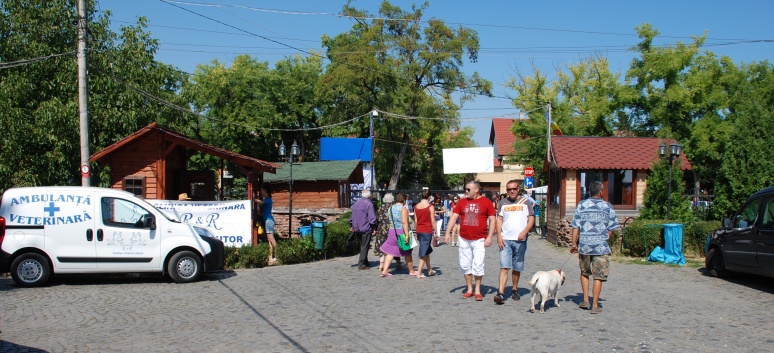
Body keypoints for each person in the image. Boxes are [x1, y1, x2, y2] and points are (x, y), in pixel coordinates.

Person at [570, 181, 620, 314]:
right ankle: (595, 304)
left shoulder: (582, 205)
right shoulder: (607, 206)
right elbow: (613, 226)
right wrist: (605, 237)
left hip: (585, 245)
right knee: (598, 276)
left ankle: (585, 299)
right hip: (601, 247)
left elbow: (575, 226)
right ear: (601, 192)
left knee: (584, 272)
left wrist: (574, 243)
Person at [444, 181, 496, 301]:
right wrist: (447, 233)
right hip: (464, 238)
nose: (466, 192)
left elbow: (493, 220)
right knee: (465, 264)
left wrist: (489, 237)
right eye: (465, 189)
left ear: (476, 190)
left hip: (479, 239)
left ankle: (477, 290)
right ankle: (469, 289)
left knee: (478, 264)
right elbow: (454, 217)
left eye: (468, 189)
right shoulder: (462, 202)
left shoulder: (486, 202)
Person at [493, 180, 535, 304]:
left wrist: (526, 231)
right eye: (509, 189)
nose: (512, 191)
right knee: (504, 266)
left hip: (520, 240)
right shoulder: (502, 203)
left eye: (514, 189)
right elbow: (499, 219)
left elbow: (531, 218)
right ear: (506, 191)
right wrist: (499, 236)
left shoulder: (525, 202)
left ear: (518, 189)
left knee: (517, 267)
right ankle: (500, 293)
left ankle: (515, 288)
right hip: (505, 240)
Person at [379, 193, 416, 277]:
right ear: (404, 200)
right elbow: (404, 222)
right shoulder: (403, 208)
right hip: (401, 231)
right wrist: (407, 234)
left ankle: (385, 271)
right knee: (407, 251)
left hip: (392, 230)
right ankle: (411, 271)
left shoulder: (390, 208)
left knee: (390, 251)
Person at [374, 193, 403, 271]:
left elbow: (377, 218)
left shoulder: (380, 208)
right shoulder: (394, 208)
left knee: (381, 245)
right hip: (392, 229)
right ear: (392, 200)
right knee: (394, 246)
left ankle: (381, 265)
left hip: (381, 229)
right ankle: (398, 262)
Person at [413, 189, 438, 278]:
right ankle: (419, 273)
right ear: (429, 197)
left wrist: (416, 231)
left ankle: (429, 269)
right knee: (423, 252)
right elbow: (433, 220)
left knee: (426, 249)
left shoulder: (416, 206)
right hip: (427, 231)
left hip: (419, 230)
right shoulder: (430, 206)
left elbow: (415, 221)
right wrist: (436, 232)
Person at [350, 190, 377, 270]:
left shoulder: (356, 203)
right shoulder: (369, 204)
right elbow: (372, 218)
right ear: (369, 196)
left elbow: (352, 217)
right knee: (365, 246)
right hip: (366, 228)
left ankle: (365, 261)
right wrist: (374, 227)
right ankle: (361, 263)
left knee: (362, 245)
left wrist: (352, 225)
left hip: (357, 228)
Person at [254, 185, 276, 262]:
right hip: (267, 219)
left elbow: (261, 202)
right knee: (269, 239)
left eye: (262, 190)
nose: (261, 192)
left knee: (271, 238)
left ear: (265, 191)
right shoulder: (267, 199)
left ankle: (277, 254)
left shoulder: (268, 199)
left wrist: (253, 199)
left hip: (269, 220)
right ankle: (270, 256)